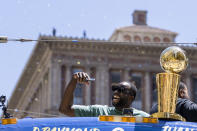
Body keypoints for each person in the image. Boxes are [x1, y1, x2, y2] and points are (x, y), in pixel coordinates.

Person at [59, 72, 150, 117]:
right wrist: (74, 80)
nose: (116, 92)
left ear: (131, 97)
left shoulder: (143, 117)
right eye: (115, 89)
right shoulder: (99, 111)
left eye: (121, 90)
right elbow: (64, 109)